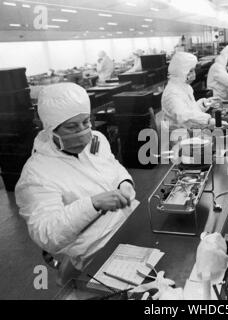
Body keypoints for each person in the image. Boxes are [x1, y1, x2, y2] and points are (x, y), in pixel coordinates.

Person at [15, 83, 136, 285]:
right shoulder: (36, 174)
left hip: (129, 223)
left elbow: (113, 166)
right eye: (71, 126)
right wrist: (93, 204)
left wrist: (124, 183)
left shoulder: (97, 140)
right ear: (51, 128)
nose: (83, 132)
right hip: (93, 250)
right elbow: (47, 234)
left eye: (86, 122)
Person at [161, 51, 220, 131]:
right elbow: (184, 116)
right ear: (182, 71)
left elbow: (192, 110)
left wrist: (205, 103)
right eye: (191, 71)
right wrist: (208, 120)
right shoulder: (172, 93)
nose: (194, 74)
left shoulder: (185, 87)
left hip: (189, 131)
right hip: (178, 137)